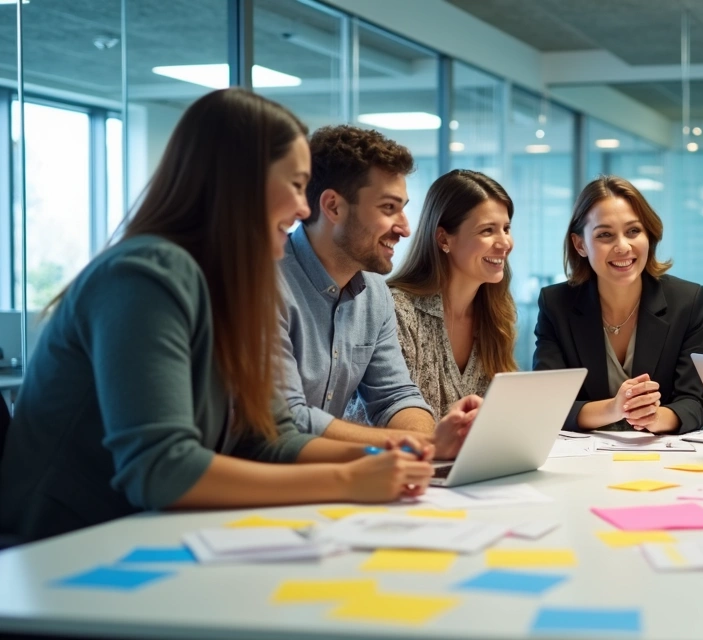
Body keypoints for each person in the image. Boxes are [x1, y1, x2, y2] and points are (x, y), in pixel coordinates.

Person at [0, 89, 434, 543]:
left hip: (150, 537)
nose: (304, 209)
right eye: (293, 184)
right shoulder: (145, 273)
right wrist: (348, 481)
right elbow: (162, 470)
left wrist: (379, 455)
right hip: (60, 550)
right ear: (241, 182)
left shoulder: (238, 285)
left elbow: (270, 439)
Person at [278, 125, 478, 455]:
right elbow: (289, 417)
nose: (405, 227)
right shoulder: (267, 283)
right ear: (333, 206)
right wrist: (421, 443)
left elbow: (396, 396)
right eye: (388, 208)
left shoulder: (374, 292)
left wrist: (427, 444)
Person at [534, 176, 703, 434]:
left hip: (659, 456)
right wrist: (616, 408)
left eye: (633, 231)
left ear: (649, 235)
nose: (623, 246)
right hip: (583, 461)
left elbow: (695, 401)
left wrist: (654, 417)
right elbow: (547, 404)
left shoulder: (687, 301)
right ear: (580, 244)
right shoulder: (556, 305)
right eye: (605, 234)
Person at [386, 170, 516, 413]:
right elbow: (379, 416)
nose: (504, 243)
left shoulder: (496, 313)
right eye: (487, 230)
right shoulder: (398, 312)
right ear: (444, 239)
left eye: (506, 229)